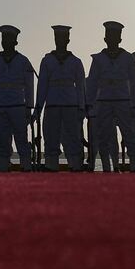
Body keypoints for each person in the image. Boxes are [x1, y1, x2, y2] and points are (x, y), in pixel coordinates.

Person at [86, 21, 135, 172]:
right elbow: (92, 83)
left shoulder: (128, 58)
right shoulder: (98, 59)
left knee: (129, 134)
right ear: (105, 39)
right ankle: (106, 166)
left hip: (123, 100)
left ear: (120, 39)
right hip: (104, 100)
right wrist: (89, 104)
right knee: (103, 135)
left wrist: (134, 105)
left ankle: (134, 164)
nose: (112, 39)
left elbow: (134, 84)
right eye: (110, 36)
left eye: (115, 36)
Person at [35, 25, 87, 172]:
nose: (60, 40)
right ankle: (51, 165)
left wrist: (82, 107)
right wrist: (38, 107)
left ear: (68, 39)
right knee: (51, 137)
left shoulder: (76, 62)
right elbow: (42, 86)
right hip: (52, 104)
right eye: (58, 37)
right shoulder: (47, 61)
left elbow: (81, 87)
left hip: (71, 104)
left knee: (73, 137)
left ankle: (75, 165)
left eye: (63, 37)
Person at [0, 25, 35, 172]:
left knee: (21, 139)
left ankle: (26, 165)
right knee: (3, 140)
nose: (5, 41)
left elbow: (29, 85)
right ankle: (3, 166)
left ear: (15, 42)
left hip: (18, 105)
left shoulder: (23, 61)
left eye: (8, 39)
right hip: (0, 106)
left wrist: (29, 106)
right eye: (3, 38)